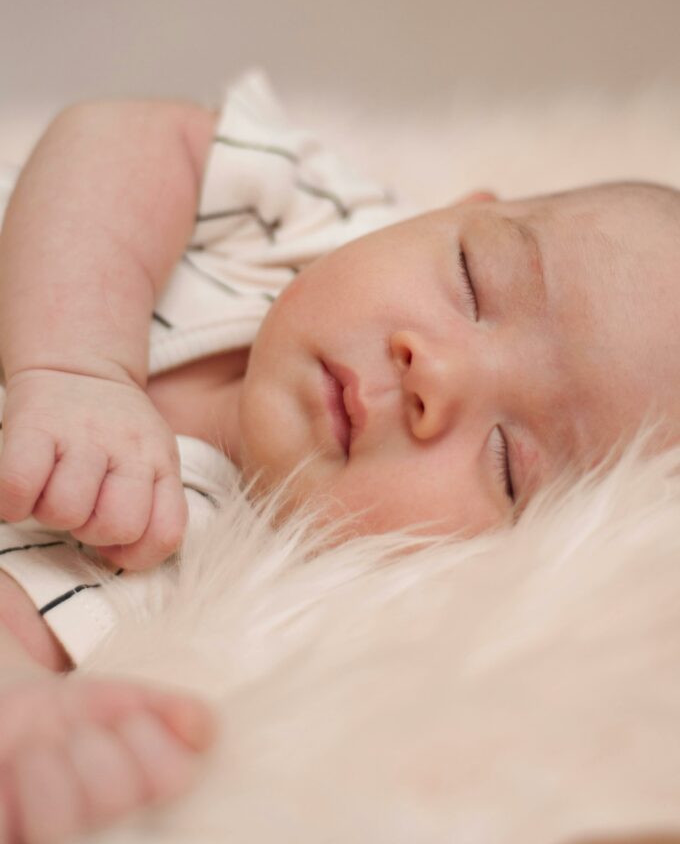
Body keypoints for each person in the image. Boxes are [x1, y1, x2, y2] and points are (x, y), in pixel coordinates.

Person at [0, 72, 679, 842]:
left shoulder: (213, 574)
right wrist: (75, 368)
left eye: (507, 462)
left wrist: (24, 705)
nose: (437, 377)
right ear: (452, 212)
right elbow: (118, 134)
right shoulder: (304, 219)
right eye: (473, 282)